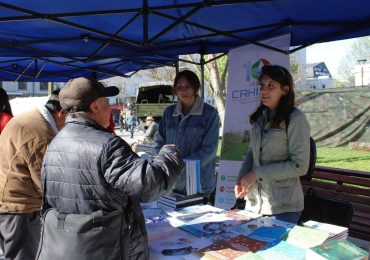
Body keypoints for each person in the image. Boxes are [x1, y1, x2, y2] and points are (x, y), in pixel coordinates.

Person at [41, 77, 184, 259]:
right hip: (109, 248)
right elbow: (150, 186)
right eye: (107, 102)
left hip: (70, 247)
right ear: (95, 107)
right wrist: (169, 155)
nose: (110, 108)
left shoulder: (55, 143)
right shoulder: (107, 145)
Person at [235, 65, 310, 224]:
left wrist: (256, 173)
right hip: (254, 204)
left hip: (283, 207)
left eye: (271, 86)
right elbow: (251, 152)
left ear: (285, 90)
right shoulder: (261, 117)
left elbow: (300, 165)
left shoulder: (296, 119)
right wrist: (241, 179)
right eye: (262, 86)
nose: (263, 91)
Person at [0, 90, 66, 260]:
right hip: (18, 207)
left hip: (12, 201)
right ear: (62, 112)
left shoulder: (33, 117)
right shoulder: (40, 133)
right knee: (23, 256)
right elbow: (47, 183)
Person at [156, 70, 219, 198]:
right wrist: (164, 162)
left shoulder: (209, 113)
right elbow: (159, 143)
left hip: (199, 184)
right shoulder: (169, 113)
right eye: (179, 87)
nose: (183, 91)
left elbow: (209, 149)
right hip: (172, 183)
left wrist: (182, 165)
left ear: (195, 88)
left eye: (188, 86)